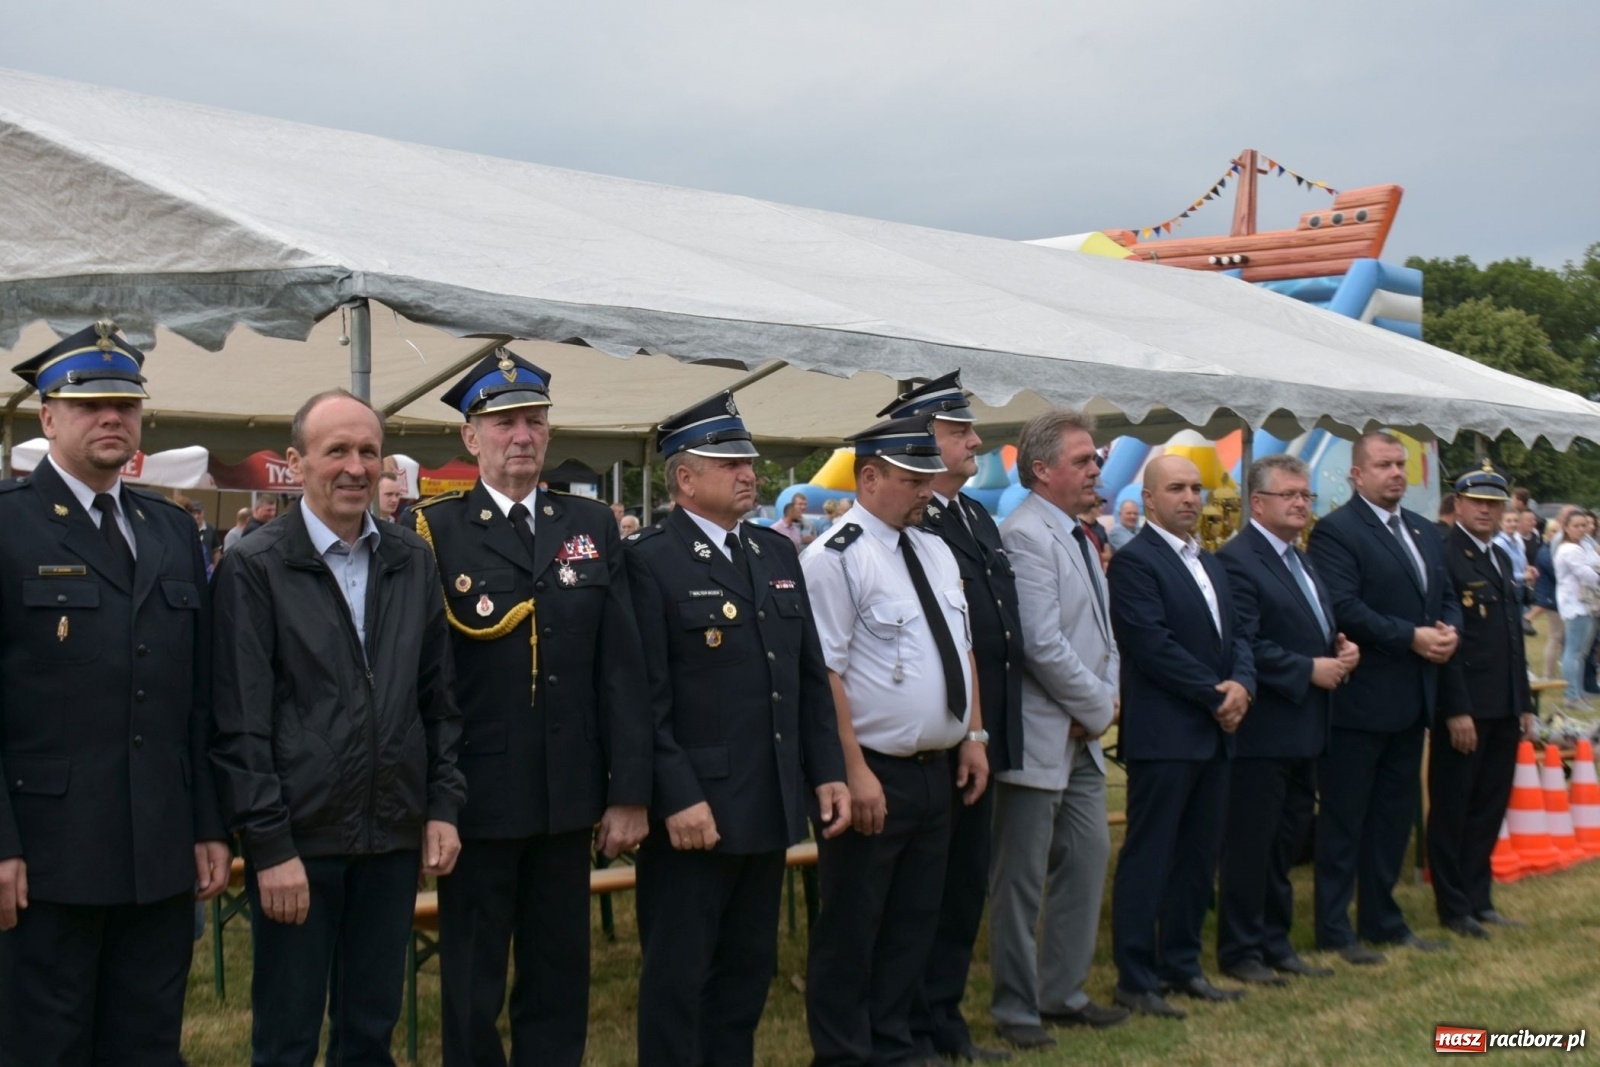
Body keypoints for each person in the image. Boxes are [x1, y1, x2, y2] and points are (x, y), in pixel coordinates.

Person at [403, 349, 651, 1067]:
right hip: (478, 799)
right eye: (505, 421)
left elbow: (622, 667)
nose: (523, 435)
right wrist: (435, 800)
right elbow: (429, 679)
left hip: (567, 796)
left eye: (535, 420)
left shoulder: (590, 525)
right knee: (472, 985)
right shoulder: (435, 530)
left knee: (558, 976)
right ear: (470, 438)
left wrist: (628, 789)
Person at [212, 389, 465, 1066]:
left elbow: (437, 700)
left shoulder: (411, 560)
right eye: (337, 451)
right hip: (301, 841)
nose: (356, 467)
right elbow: (241, 720)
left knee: (369, 1031)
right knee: (288, 1036)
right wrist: (269, 846)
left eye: (369, 452)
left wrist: (440, 806)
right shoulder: (254, 564)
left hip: (391, 837)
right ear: (296, 462)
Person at [0, 323, 231, 1061]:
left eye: (125, 405)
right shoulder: (8, 526)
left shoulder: (168, 529)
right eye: (90, 404)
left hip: (156, 849)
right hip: (49, 855)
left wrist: (205, 824)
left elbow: (197, 700)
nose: (111, 419)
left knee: (146, 1043)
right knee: (47, 1044)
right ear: (47, 417)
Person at [624, 391, 849, 1067]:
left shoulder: (775, 554)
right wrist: (676, 794)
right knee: (679, 977)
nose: (748, 472)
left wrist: (828, 769)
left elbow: (808, 677)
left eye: (748, 460)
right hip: (697, 810)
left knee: (746, 971)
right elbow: (642, 697)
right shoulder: (650, 560)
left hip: (769, 796)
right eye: (728, 462)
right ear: (685, 478)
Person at [801, 415, 988, 1067]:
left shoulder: (935, 548)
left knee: (915, 917)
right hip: (875, 768)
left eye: (926, 478)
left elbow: (959, 647)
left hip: (937, 764)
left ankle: (895, 1041)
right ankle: (845, 1050)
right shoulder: (834, 557)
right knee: (854, 922)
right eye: (911, 479)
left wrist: (973, 734)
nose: (924, 491)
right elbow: (825, 672)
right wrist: (854, 769)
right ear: (870, 476)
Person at [880, 374, 1023, 1062]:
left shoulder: (972, 518)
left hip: (977, 736)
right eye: (960, 431)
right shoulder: (911, 529)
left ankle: (945, 1021)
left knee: (962, 891)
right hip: (931, 746)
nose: (975, 441)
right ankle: (911, 1027)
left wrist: (986, 732)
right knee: (921, 900)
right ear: (921, 439)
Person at [991, 409, 1128, 1046]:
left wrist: (1104, 695)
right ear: (1041, 471)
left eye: (1096, 459)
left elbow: (1102, 636)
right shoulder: (1025, 535)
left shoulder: (1077, 532)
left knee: (1087, 858)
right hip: (1045, 734)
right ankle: (1017, 1009)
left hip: (1080, 735)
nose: (1096, 468)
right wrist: (1098, 707)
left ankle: (1063, 992)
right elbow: (1041, 644)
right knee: (1020, 879)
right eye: (1083, 460)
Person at [1107, 455, 1254, 1019]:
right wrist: (1218, 695)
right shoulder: (1135, 563)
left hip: (1216, 733)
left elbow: (1238, 633)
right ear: (1149, 500)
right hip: (1166, 734)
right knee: (1151, 856)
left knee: (1198, 856)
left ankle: (1183, 964)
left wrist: (1242, 683)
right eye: (1177, 488)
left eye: (1196, 488)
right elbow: (1152, 644)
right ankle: (1137, 978)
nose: (1190, 498)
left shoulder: (1211, 563)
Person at [1308, 431, 1459, 964]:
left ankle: (1382, 919)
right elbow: (1344, 607)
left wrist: (1450, 630)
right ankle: (1333, 927)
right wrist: (1410, 636)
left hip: (1412, 698)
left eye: (1400, 464)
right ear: (1357, 475)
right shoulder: (1336, 532)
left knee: (1393, 817)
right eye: (1383, 465)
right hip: (1360, 701)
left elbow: (1444, 595)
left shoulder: (1423, 530)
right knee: (1346, 819)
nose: (1395, 473)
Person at [1215, 455, 1358, 987]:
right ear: (1258, 503)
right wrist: (1308, 669)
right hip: (1265, 728)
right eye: (1290, 495)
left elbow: (1311, 624)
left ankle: (1275, 941)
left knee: (1286, 841)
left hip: (1307, 725)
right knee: (1252, 843)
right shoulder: (1238, 560)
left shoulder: (1302, 558)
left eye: (1306, 496)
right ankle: (1242, 948)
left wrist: (1339, 648)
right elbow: (1244, 642)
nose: (1301, 503)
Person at [1429, 466, 1536, 940]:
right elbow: (1449, 644)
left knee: (1489, 806)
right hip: (1467, 707)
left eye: (1495, 504)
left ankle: (1479, 897)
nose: (1488, 511)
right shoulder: (1445, 556)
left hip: (1504, 705)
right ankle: (1453, 906)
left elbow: (1511, 638)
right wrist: (1455, 709)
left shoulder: (1500, 556)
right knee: (1455, 807)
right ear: (1458, 504)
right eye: (1478, 503)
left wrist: (1524, 703)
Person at [1552, 509, 1600, 709]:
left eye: (1584, 525)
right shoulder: (1569, 549)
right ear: (1566, 527)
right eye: (1576, 526)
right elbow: (1586, 573)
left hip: (1587, 604)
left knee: (1582, 653)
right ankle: (1571, 695)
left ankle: (1578, 693)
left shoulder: (1585, 545)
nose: (1581, 529)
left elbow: (1595, 565)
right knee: (1573, 652)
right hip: (1575, 605)